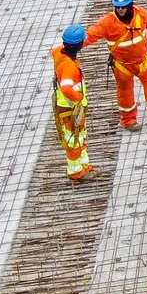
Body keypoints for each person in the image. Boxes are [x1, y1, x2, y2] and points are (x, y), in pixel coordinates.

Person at [85, 0, 147, 132]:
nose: (120, 9)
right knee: (125, 94)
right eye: (117, 7)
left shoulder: (142, 15)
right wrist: (71, 46)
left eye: (123, 7)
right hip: (122, 66)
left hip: (144, 62)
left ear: (130, 5)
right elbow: (90, 35)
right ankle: (128, 121)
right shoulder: (108, 22)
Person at [53, 25, 95, 182]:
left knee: (80, 137)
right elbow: (66, 87)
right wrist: (78, 99)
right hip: (70, 109)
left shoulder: (59, 52)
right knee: (73, 140)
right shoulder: (69, 66)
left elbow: (53, 52)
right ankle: (76, 172)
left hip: (72, 108)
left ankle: (84, 166)